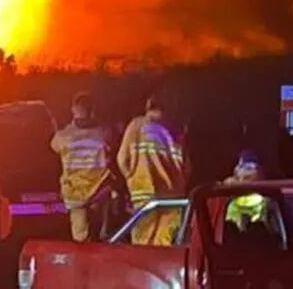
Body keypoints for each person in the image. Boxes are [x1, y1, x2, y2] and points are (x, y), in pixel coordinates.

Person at [117, 94, 189, 246]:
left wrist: (130, 177)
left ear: (148, 105)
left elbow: (122, 159)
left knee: (142, 243)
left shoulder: (136, 125)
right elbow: (187, 167)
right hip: (173, 196)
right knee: (164, 244)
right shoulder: (175, 129)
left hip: (144, 191)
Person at [50, 92, 115, 242]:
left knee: (81, 239)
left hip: (75, 192)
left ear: (73, 110)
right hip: (98, 191)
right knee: (102, 238)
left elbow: (53, 147)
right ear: (92, 110)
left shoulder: (63, 136)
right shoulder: (103, 134)